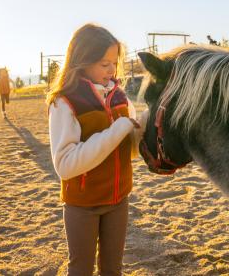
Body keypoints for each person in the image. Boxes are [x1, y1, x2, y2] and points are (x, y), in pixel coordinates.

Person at [46, 24, 147, 276]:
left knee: (113, 270)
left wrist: (147, 125)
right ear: (82, 61)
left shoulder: (120, 97)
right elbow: (65, 165)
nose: (112, 70)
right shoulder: (65, 101)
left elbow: (130, 149)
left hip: (119, 200)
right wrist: (117, 130)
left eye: (114, 62)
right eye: (104, 64)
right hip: (82, 205)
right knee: (80, 270)